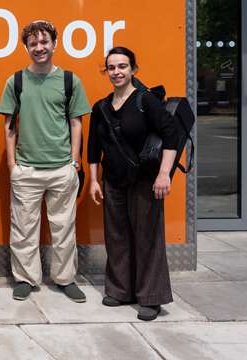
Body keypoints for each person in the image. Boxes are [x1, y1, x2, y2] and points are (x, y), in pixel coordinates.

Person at [0, 20, 91, 303]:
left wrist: (74, 162)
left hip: (62, 168)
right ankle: (26, 278)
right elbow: (9, 126)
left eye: (44, 42)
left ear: (54, 43)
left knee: (64, 228)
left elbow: (76, 123)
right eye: (33, 43)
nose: (39, 48)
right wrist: (13, 165)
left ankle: (65, 279)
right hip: (27, 169)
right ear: (26, 46)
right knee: (24, 228)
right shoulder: (15, 81)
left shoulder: (69, 80)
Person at [88, 46, 177, 321]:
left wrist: (164, 173)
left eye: (122, 66)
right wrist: (93, 180)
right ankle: (120, 290)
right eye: (112, 67)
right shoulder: (101, 107)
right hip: (113, 180)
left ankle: (151, 298)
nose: (117, 72)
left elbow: (171, 134)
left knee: (148, 238)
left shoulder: (145, 100)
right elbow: (93, 148)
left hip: (145, 181)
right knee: (117, 237)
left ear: (133, 69)